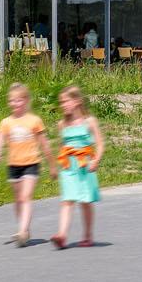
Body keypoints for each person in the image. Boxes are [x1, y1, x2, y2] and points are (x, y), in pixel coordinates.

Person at [0, 82, 53, 247]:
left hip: (32, 163)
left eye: (18, 100)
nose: (14, 104)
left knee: (25, 197)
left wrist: (52, 165)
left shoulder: (34, 120)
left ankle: (23, 231)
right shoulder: (6, 122)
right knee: (18, 200)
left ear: (25, 101)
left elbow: (45, 144)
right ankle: (23, 228)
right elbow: (0, 140)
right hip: (13, 165)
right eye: (11, 101)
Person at [50, 85, 103, 249]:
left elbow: (100, 145)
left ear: (77, 101)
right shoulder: (62, 124)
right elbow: (62, 145)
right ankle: (62, 235)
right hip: (68, 166)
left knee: (85, 201)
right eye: (62, 102)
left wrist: (96, 161)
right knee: (67, 200)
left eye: (66, 101)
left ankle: (87, 235)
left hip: (85, 164)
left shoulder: (89, 122)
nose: (63, 105)